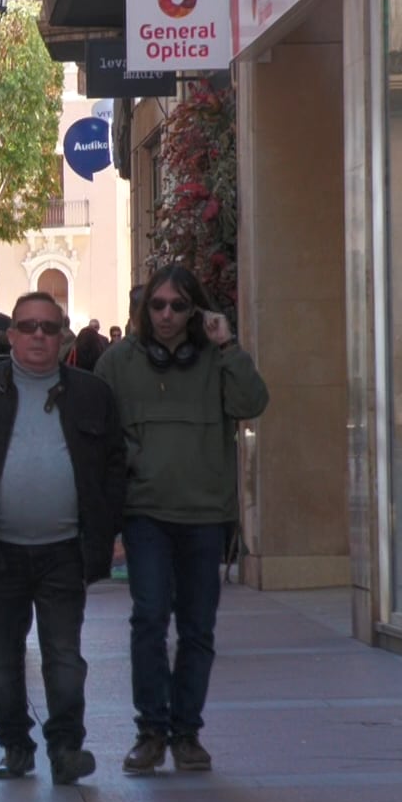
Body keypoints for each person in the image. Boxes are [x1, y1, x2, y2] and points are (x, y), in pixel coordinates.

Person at [0, 291, 125, 787]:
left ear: (62, 337)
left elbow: (116, 467)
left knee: (63, 656)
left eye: (49, 328)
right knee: (1, 656)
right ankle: (15, 744)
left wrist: (114, 530)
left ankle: (65, 748)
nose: (39, 335)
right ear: (11, 335)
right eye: (29, 326)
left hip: (64, 550)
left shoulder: (91, 394)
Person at [96, 265, 270, 774]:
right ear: (144, 309)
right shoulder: (117, 363)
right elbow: (98, 432)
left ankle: (186, 734)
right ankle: (150, 732)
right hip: (145, 512)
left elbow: (252, 403)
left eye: (178, 306)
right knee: (149, 618)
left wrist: (229, 345)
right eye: (158, 305)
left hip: (204, 514)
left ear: (194, 312)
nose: (167, 315)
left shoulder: (216, 361)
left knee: (197, 629)